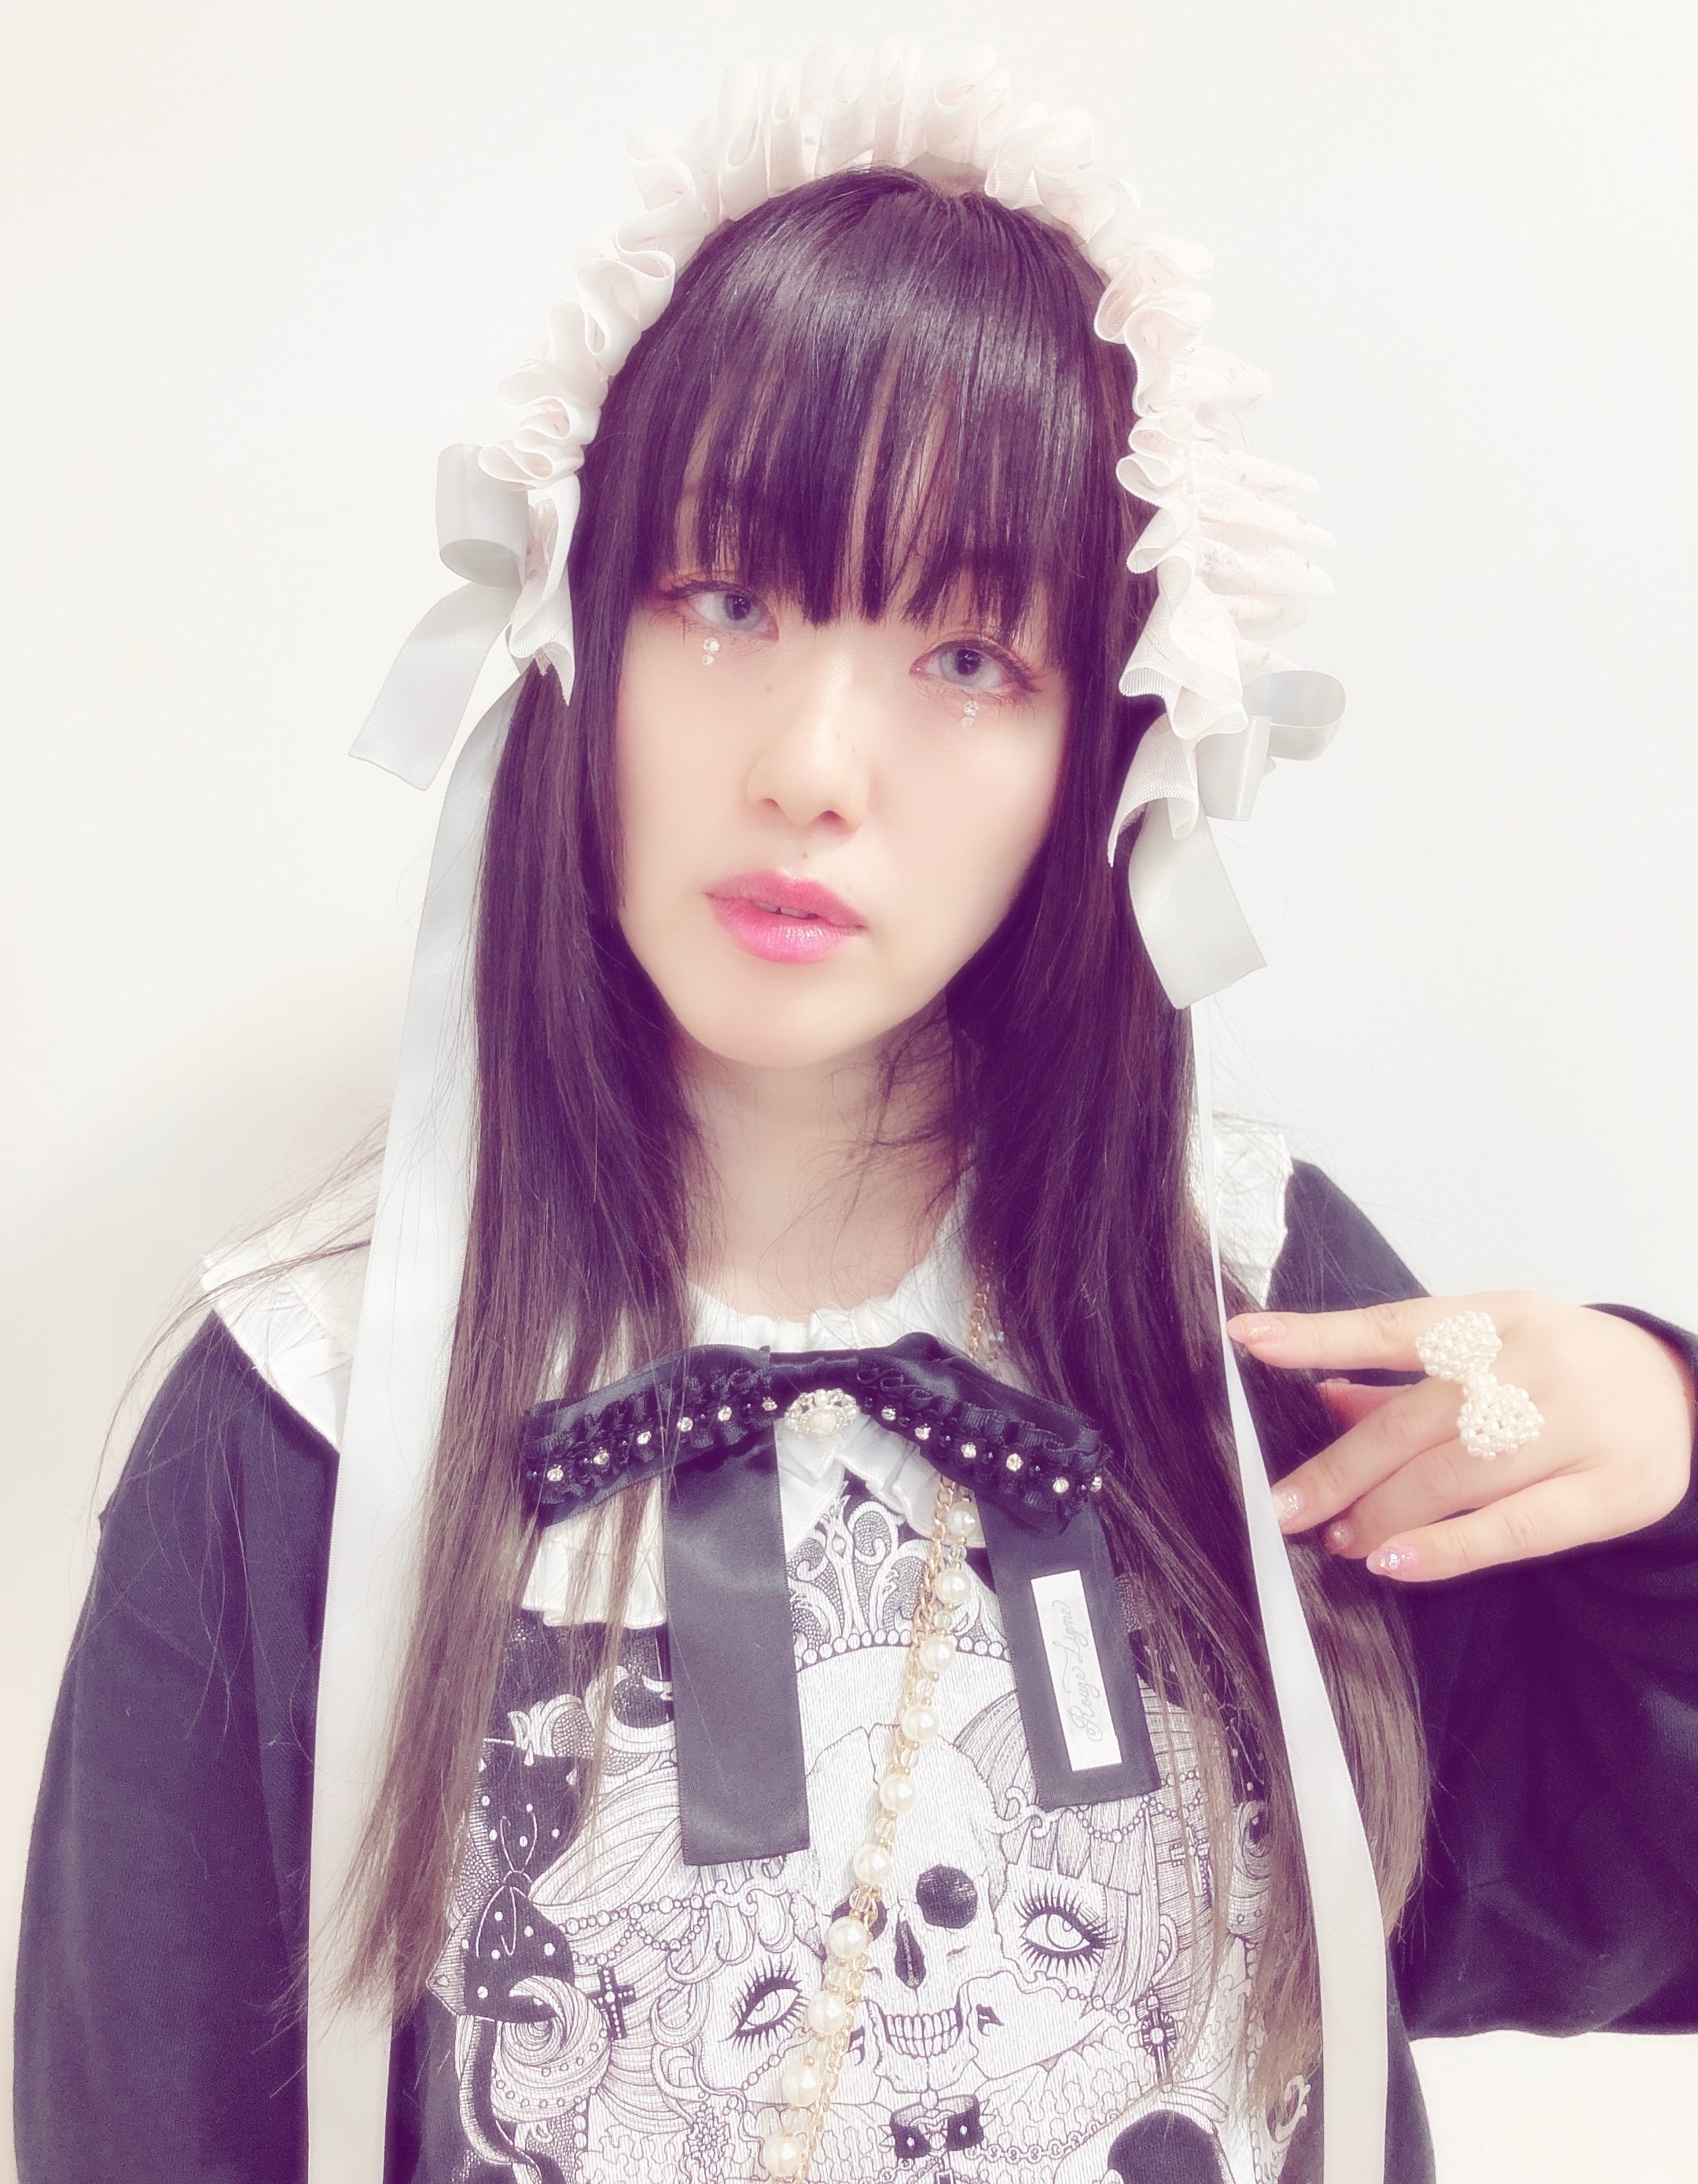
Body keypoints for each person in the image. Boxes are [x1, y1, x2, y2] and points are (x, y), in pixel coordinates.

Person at [15, 47, 1698, 2184]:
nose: (813, 763)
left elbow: (1630, 1898)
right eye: (723, 598)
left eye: (971, 657)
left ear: (1112, 748)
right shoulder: (306, 1417)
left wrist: (1659, 1449)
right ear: (573, 632)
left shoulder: (1241, 1308)